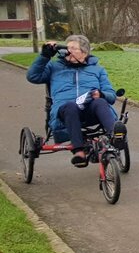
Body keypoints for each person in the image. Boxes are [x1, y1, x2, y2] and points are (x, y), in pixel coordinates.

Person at [27, 35, 122, 167]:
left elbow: (111, 96)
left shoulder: (98, 70)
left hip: (90, 110)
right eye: (67, 47)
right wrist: (44, 56)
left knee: (100, 102)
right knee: (70, 106)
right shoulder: (54, 67)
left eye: (73, 48)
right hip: (65, 112)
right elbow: (33, 77)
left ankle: (116, 137)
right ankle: (79, 152)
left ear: (84, 52)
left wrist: (101, 94)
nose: (67, 50)